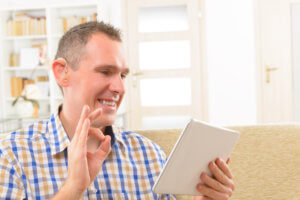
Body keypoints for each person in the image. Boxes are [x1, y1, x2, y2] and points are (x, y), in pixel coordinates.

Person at [0, 21, 235, 200]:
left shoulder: (149, 155)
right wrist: (73, 188)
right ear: (62, 72)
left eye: (122, 75)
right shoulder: (12, 156)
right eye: (105, 72)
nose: (119, 88)